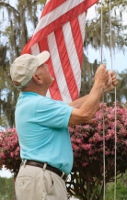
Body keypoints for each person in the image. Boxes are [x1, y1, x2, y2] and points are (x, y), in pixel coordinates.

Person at [10, 51, 118, 200]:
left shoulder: (33, 102)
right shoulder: (37, 104)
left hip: (41, 178)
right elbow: (84, 114)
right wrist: (98, 82)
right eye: (42, 65)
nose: (47, 65)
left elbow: (73, 106)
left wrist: (101, 89)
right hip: (42, 178)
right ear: (37, 78)